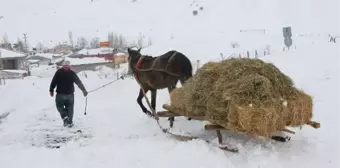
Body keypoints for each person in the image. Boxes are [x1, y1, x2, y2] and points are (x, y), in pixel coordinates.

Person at [49, 61, 88, 128]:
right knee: (70, 109)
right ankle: (69, 122)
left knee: (59, 106)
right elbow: (78, 82)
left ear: (62, 66)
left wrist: (51, 90)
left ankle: (64, 117)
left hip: (60, 94)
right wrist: (83, 90)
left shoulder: (59, 72)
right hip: (70, 95)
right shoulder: (72, 73)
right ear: (69, 66)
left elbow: (54, 81)